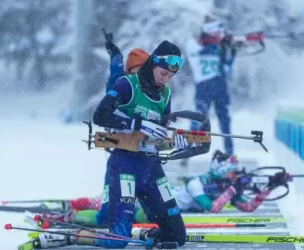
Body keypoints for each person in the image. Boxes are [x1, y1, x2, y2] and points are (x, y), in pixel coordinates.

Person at [32, 40, 189, 249]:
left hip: (151, 169)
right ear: (152, 63)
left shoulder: (166, 94)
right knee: (119, 240)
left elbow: (156, 137)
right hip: (125, 166)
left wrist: (174, 142)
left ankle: (144, 234)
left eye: (170, 77)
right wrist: (136, 123)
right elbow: (100, 115)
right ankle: (71, 236)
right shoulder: (128, 84)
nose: (165, 80)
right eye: (163, 73)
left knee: (177, 236)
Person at [37, 150, 288, 225]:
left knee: (106, 210)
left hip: (153, 210)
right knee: (104, 209)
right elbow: (211, 208)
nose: (235, 177)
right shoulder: (197, 183)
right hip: (150, 205)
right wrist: (232, 190)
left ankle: (68, 212)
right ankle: (66, 211)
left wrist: (269, 189)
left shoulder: (225, 187)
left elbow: (248, 207)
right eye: (232, 172)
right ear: (222, 172)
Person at [185, 16, 237, 156]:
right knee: (197, 123)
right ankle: (185, 156)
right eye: (215, 32)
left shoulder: (218, 46)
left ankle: (230, 156)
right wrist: (221, 44)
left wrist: (231, 52)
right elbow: (204, 51)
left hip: (220, 88)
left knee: (226, 124)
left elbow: (226, 69)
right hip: (204, 88)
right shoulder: (193, 44)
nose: (218, 35)